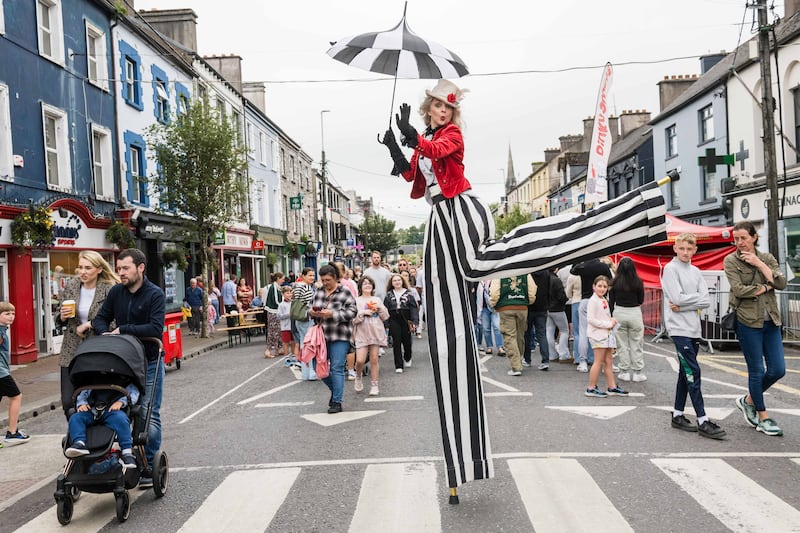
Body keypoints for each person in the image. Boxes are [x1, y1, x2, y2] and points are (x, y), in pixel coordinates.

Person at [379, 78, 667, 490]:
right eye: (438, 108)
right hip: (439, 218)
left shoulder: (451, 136)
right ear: (428, 108)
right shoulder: (425, 135)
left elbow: (440, 153)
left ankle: (599, 226)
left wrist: (413, 138)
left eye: (448, 108)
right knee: (447, 311)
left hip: (462, 210)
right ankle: (463, 461)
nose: (442, 113)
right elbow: (419, 176)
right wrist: (397, 147)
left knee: (479, 263)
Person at [93, 248, 166, 488]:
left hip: (149, 361)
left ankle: (148, 463)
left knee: (147, 411)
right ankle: (121, 454)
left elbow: (155, 329)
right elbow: (101, 318)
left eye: (125, 268)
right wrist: (103, 332)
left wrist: (123, 330)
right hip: (122, 363)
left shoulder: (154, 294)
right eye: (119, 269)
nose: (120, 273)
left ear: (140, 267)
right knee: (118, 408)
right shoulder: (116, 292)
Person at [725, 221, 787, 436]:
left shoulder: (767, 258)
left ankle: (747, 400)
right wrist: (765, 286)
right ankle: (763, 416)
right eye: (736, 238)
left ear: (754, 237)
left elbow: (781, 283)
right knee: (756, 370)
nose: (739, 242)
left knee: (778, 369)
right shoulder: (730, 260)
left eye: (743, 238)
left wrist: (760, 265)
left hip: (771, 321)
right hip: (748, 321)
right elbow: (739, 290)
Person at [662, 232, 726, 439]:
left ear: (695, 250)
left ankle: (678, 414)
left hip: (693, 328)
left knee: (685, 372)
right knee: (693, 372)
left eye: (689, 249)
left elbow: (705, 300)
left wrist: (684, 303)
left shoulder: (696, 271)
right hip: (678, 329)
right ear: (675, 248)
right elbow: (676, 298)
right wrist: (691, 300)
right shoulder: (670, 269)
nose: (685, 252)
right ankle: (703, 420)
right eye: (682, 248)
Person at [56, 251, 120, 418]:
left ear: (99, 269)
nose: (82, 272)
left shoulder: (110, 288)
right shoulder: (72, 285)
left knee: (96, 398)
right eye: (80, 267)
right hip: (71, 349)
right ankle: (77, 437)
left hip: (98, 348)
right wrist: (61, 316)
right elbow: (59, 314)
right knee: (68, 401)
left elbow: (115, 320)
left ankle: (94, 438)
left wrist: (90, 324)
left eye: (88, 268)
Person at [309, 264, 357, 414]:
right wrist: (312, 312)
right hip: (321, 336)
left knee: (336, 367)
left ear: (335, 278)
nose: (325, 283)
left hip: (340, 335)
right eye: (322, 280)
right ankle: (336, 391)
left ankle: (337, 401)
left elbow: (353, 311)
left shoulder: (345, 292)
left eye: (328, 280)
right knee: (319, 367)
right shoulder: (318, 292)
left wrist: (332, 314)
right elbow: (309, 308)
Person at [65, 378, 139, 468]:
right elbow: (83, 392)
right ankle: (79, 443)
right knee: (75, 418)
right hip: (92, 409)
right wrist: (82, 403)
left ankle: (127, 452)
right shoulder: (93, 377)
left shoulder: (126, 378)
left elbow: (133, 393)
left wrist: (121, 402)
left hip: (113, 409)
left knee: (121, 420)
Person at [585, 276, 626, 398]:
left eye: (604, 286)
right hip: (598, 335)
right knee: (598, 362)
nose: (602, 289)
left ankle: (612, 386)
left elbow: (603, 316)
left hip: (606, 334)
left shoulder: (602, 299)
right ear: (594, 286)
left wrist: (611, 320)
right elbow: (591, 319)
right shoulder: (593, 301)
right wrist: (608, 324)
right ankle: (591, 387)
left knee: (609, 361)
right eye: (599, 286)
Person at [489, 274, 537, 376]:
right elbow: (532, 290)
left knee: (509, 336)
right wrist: (527, 302)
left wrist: (494, 304)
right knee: (520, 336)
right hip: (522, 307)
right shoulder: (526, 273)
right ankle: (519, 360)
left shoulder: (501, 272)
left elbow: (494, 293)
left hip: (506, 307)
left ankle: (516, 366)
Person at [571, 258, 613, 373]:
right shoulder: (603, 267)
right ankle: (604, 361)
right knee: (603, 331)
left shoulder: (583, 266)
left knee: (583, 332)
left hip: (585, 300)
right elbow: (611, 281)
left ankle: (583, 361)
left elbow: (572, 270)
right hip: (599, 301)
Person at [609, 257, 646, 382]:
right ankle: (637, 372)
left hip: (619, 312)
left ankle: (624, 371)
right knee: (637, 344)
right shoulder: (638, 282)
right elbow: (641, 300)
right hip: (634, 313)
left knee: (622, 344)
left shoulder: (614, 282)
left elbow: (611, 301)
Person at [352, 276, 389, 395]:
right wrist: (363, 312)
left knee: (374, 359)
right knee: (360, 360)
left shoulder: (377, 299)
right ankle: (358, 376)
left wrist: (380, 308)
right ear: (360, 287)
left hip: (375, 331)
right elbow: (353, 320)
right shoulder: (356, 300)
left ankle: (374, 385)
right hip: (362, 332)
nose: (367, 286)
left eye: (369, 284)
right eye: (364, 284)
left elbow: (385, 317)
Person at [0, 302, 30, 446]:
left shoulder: (3, 330)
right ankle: (12, 433)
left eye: (12, 313)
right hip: (0, 372)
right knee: (16, 396)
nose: (11, 316)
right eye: (7, 314)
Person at [384, 273, 419, 373]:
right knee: (396, 341)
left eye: (399, 280)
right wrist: (386, 323)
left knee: (407, 340)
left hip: (406, 319)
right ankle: (398, 365)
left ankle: (407, 357)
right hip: (394, 318)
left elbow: (413, 308)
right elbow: (385, 309)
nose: (397, 282)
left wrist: (414, 321)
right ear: (392, 283)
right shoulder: (388, 295)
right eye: (395, 281)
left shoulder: (409, 293)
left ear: (402, 281)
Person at [293, 268, 317, 380]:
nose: (312, 277)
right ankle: (311, 371)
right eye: (310, 275)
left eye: (313, 275)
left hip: (298, 319)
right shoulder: (306, 287)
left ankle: (305, 373)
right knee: (310, 345)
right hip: (307, 318)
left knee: (303, 344)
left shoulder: (296, 287)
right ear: (303, 276)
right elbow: (312, 304)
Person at [527, 270, 551, 370]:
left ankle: (527, 359)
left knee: (527, 334)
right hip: (542, 307)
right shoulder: (546, 273)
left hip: (529, 307)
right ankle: (545, 360)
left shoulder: (529, 273)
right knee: (542, 335)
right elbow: (549, 290)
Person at [546, 267, 571, 363]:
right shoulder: (556, 280)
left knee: (549, 330)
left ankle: (552, 354)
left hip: (547, 308)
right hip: (558, 308)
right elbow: (561, 296)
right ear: (556, 269)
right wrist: (565, 299)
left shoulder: (546, 279)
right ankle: (564, 354)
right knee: (564, 330)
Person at [476, 279, 505, 355]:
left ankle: (500, 347)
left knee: (497, 327)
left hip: (494, 307)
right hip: (484, 308)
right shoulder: (480, 282)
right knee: (486, 328)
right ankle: (489, 347)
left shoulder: (495, 280)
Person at [263, 272, 285, 359]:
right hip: (273, 311)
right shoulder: (274, 287)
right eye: (282, 279)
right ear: (278, 278)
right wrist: (282, 306)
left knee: (278, 331)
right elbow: (276, 301)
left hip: (276, 311)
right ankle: (268, 350)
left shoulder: (277, 287)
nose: (283, 281)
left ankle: (278, 349)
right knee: (273, 331)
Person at [277, 286, 295, 358]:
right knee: (286, 342)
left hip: (293, 326)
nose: (289, 294)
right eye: (287, 293)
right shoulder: (281, 305)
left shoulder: (293, 303)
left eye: (290, 293)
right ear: (283, 294)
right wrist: (288, 315)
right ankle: (286, 357)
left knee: (294, 342)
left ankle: (294, 356)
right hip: (285, 327)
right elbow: (279, 316)